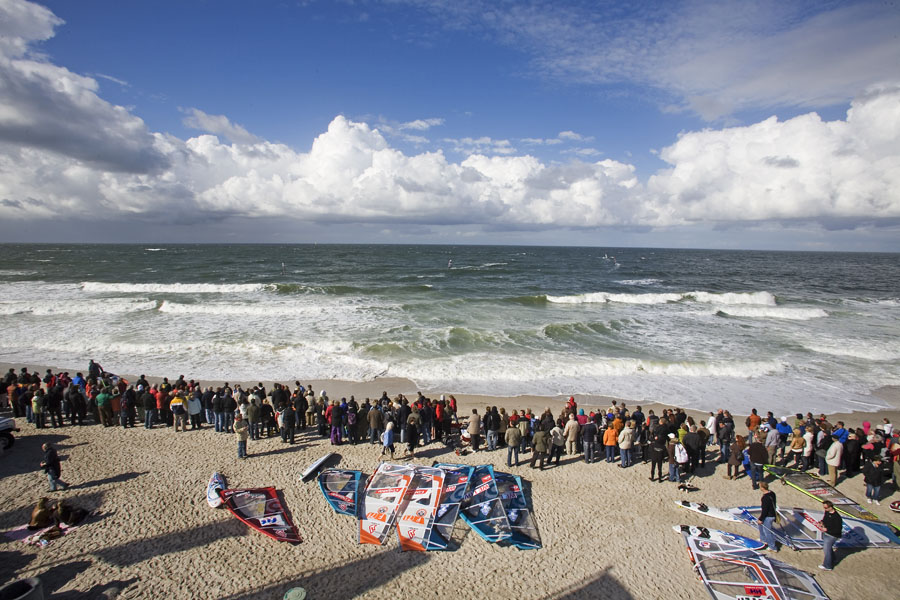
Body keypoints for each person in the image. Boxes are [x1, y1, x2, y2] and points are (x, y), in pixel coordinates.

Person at [818, 501, 842, 571]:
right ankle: (833, 559)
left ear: (830, 507)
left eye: (826, 507)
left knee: (826, 550)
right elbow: (825, 519)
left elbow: (838, 529)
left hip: (832, 536)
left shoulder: (837, 517)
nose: (824, 509)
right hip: (826, 534)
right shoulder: (827, 512)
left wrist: (827, 529)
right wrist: (822, 522)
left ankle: (827, 566)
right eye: (824, 507)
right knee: (828, 549)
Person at [757, 481, 778, 552]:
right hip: (772, 514)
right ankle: (763, 539)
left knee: (767, 531)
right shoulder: (772, 493)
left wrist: (760, 519)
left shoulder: (765, 498)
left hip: (769, 516)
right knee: (761, 526)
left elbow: (765, 510)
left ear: (762, 488)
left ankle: (773, 547)